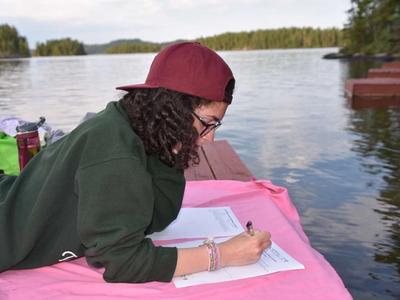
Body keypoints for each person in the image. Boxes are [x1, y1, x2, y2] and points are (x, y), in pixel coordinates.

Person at [0, 42, 271, 283]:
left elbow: (156, 217)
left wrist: (173, 149)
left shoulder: (139, 127)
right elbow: (122, 262)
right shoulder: (115, 153)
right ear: (173, 108)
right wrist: (222, 254)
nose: (210, 139)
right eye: (208, 124)